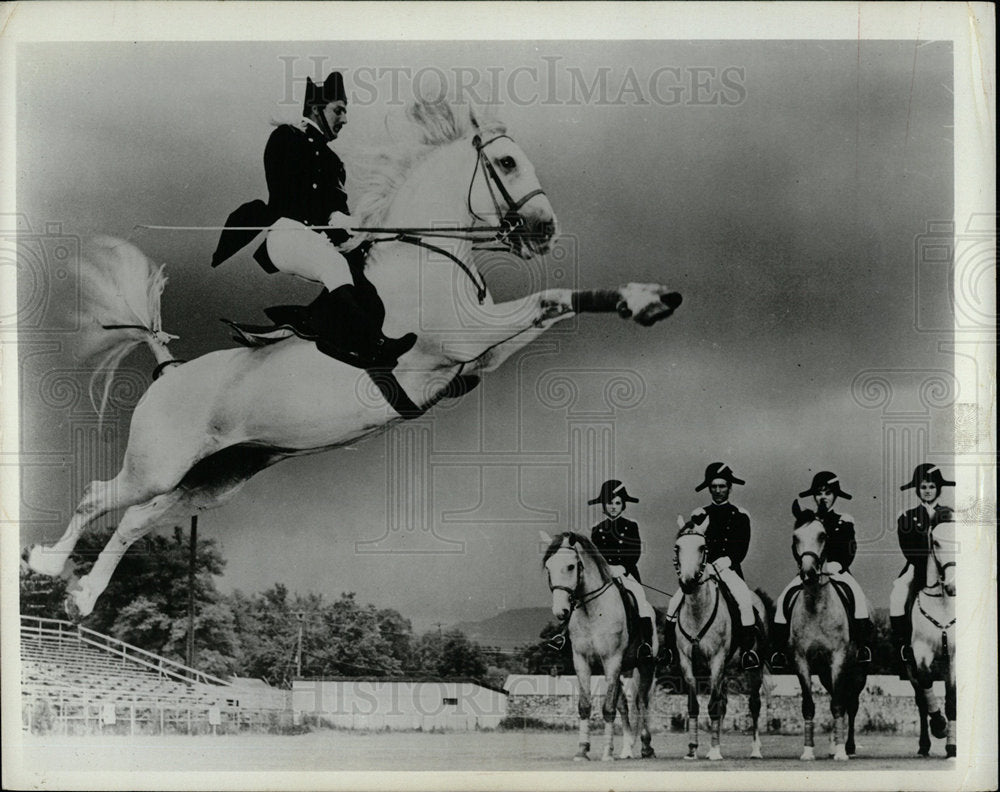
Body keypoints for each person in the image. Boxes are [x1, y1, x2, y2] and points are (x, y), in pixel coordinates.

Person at [212, 70, 416, 368]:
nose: (344, 119)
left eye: (345, 111)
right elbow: (289, 193)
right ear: (316, 109)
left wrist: (355, 229)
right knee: (334, 266)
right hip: (288, 234)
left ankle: (334, 337)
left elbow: (337, 209)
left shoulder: (334, 161)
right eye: (339, 110)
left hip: (318, 240)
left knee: (367, 292)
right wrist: (331, 217)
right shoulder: (287, 137)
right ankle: (375, 343)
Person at [769, 472, 873, 668]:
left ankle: (862, 647)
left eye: (828, 493)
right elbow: (797, 545)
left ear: (835, 495)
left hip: (837, 570)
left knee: (858, 598)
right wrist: (804, 564)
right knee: (783, 600)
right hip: (810, 571)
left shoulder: (844, 519)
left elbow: (850, 546)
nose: (823, 497)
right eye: (819, 493)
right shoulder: (807, 520)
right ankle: (779, 651)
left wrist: (840, 564)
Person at [662, 463, 760, 669]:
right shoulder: (699, 515)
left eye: (722, 486)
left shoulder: (740, 514)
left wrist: (729, 560)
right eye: (713, 486)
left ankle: (748, 652)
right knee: (673, 605)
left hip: (729, 569)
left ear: (729, 487)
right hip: (703, 571)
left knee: (744, 600)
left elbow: (742, 545)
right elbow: (692, 544)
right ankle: (669, 652)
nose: (717, 491)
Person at [889, 463, 955, 676]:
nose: (927, 490)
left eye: (932, 486)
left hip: (946, 566)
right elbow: (906, 547)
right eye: (923, 486)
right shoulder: (907, 516)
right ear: (918, 490)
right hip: (918, 566)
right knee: (898, 593)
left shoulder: (949, 514)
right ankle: (902, 647)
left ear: (938, 489)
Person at [588, 480, 655, 660]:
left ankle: (645, 644)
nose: (613, 507)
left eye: (618, 503)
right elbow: (594, 556)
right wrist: (605, 569)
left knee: (641, 601)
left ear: (623, 505)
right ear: (604, 505)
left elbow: (635, 551)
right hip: (604, 576)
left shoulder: (631, 526)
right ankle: (571, 637)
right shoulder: (597, 529)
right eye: (610, 503)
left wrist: (623, 567)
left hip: (626, 573)